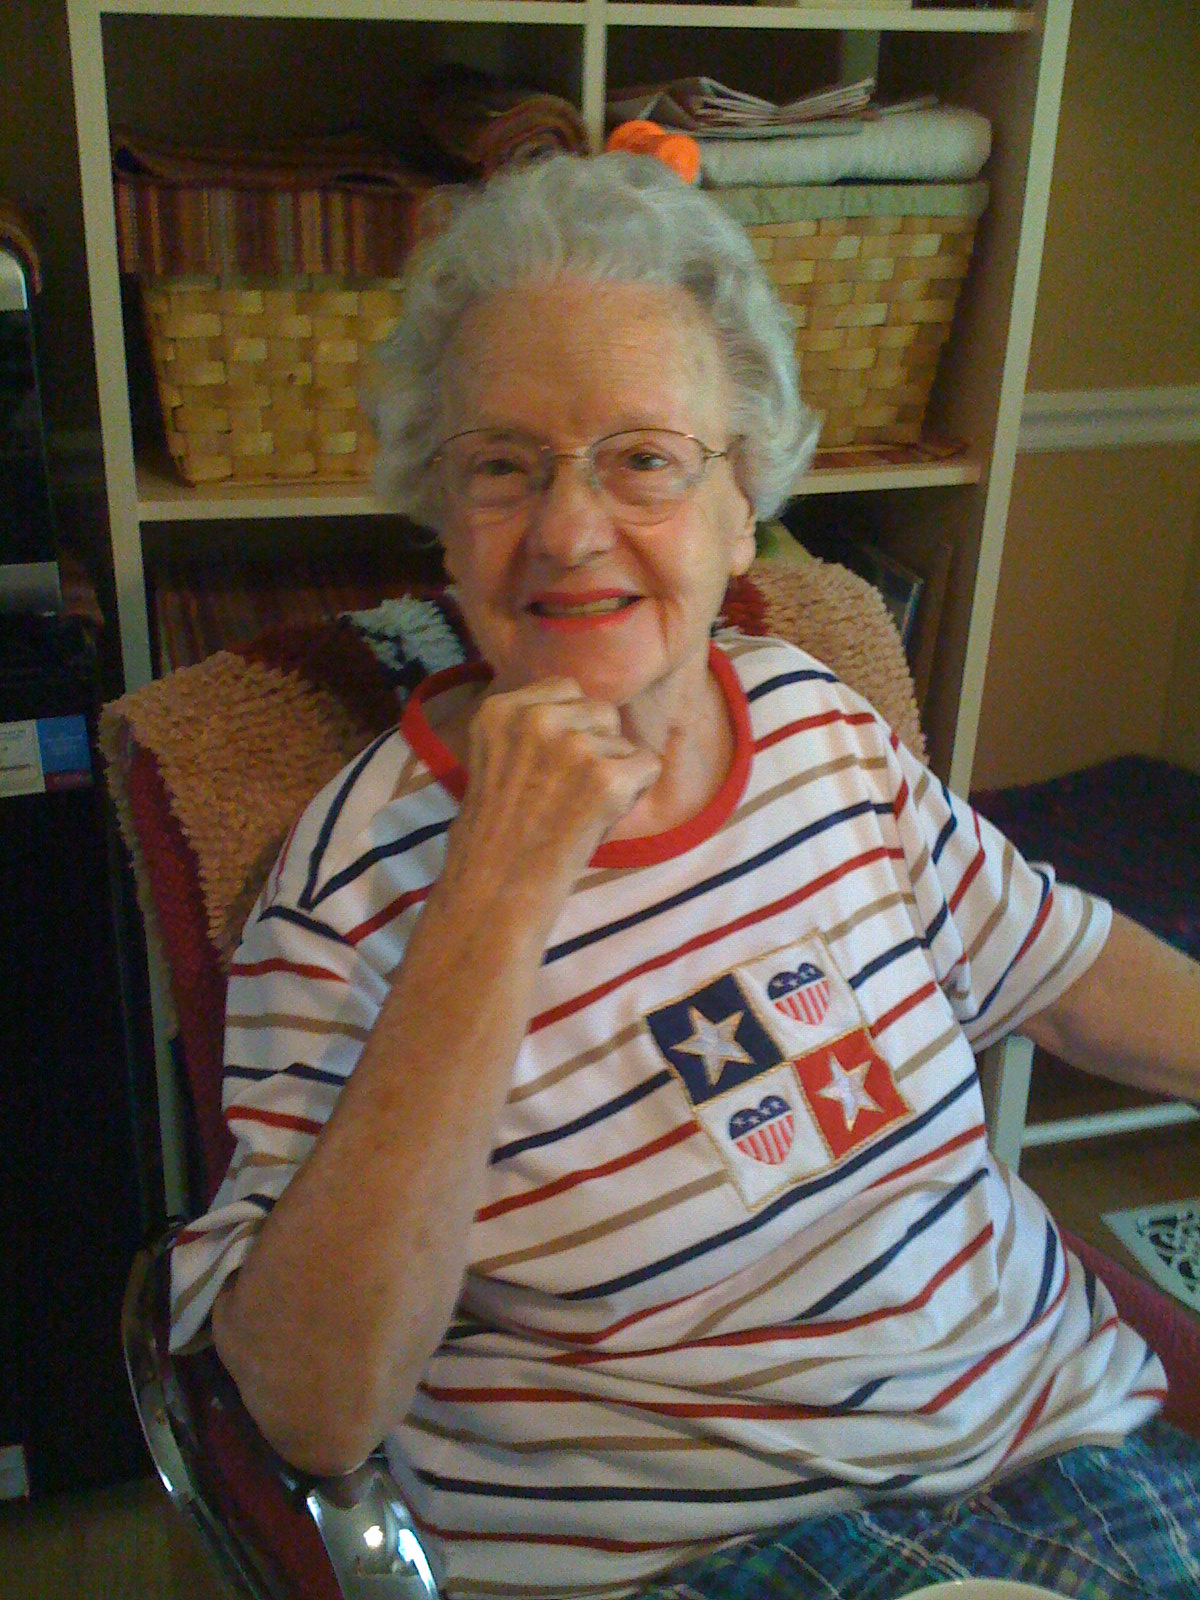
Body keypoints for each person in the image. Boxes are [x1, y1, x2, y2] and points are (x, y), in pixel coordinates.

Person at [170, 152, 1200, 1600]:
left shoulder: (818, 728)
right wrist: (498, 893)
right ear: (444, 524)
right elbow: (309, 1405)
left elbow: (1069, 969)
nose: (571, 528)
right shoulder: (350, 891)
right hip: (704, 1555)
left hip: (1062, 1450)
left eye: (643, 457)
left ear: (742, 505)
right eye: (503, 466)